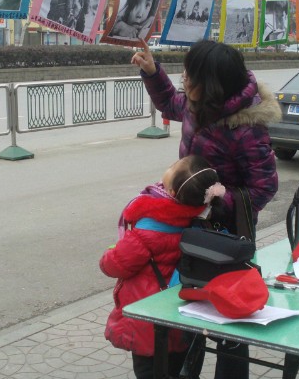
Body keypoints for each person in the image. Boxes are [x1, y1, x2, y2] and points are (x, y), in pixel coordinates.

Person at [131, 39, 281, 379]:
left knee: (231, 322)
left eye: (190, 74)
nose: (184, 78)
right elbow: (169, 103)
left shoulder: (246, 128)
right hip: (191, 228)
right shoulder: (197, 104)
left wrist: (214, 198)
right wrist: (152, 72)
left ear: (212, 84)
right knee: (191, 308)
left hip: (228, 238)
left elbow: (264, 187)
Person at [100, 155, 226, 379]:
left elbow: (114, 265)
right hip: (183, 317)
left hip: (149, 320)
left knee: (150, 371)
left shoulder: (147, 229)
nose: (169, 166)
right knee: (182, 370)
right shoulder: (202, 223)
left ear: (172, 191)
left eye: (173, 167)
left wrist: (111, 252)